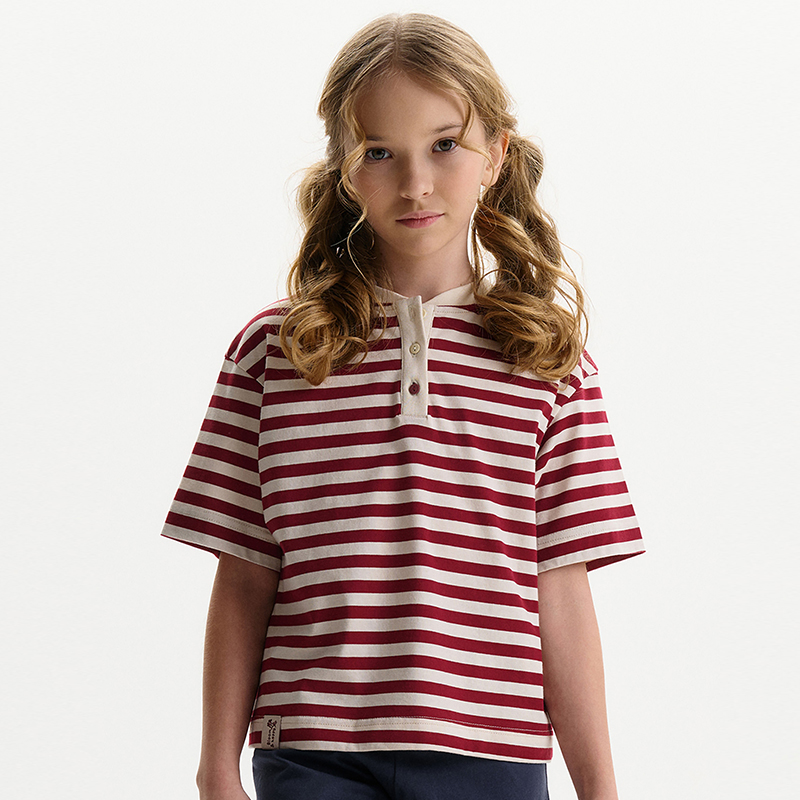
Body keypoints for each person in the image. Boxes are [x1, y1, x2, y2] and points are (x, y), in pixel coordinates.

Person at [162, 13, 644, 800]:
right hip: (311, 750)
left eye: (444, 145)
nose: (416, 183)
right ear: (345, 171)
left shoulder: (549, 365)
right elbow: (245, 571)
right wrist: (215, 766)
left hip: (490, 753)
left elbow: (560, 588)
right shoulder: (275, 354)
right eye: (380, 152)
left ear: (496, 155)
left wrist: (601, 790)